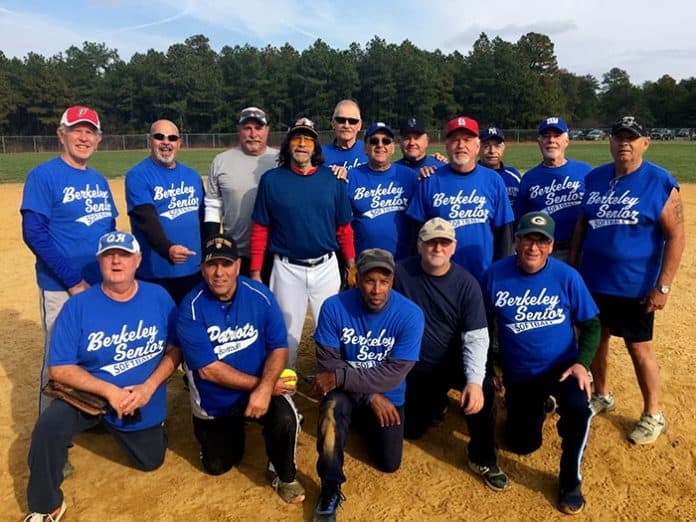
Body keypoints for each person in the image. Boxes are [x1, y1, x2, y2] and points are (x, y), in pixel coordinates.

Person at [24, 231, 181, 522]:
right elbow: (59, 368)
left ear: (138, 260)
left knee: (150, 462)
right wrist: (110, 392)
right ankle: (46, 505)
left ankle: (130, 425)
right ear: (100, 262)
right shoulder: (78, 306)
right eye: (109, 255)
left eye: (124, 254)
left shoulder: (158, 297)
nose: (116, 260)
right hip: (91, 395)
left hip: (140, 396)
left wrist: (148, 388)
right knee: (49, 424)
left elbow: (175, 349)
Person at [569, 116, 685, 445]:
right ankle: (602, 395)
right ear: (610, 141)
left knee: (639, 348)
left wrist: (663, 286)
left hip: (635, 287)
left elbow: (676, 236)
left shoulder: (659, 182)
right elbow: (581, 228)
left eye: (632, 138)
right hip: (593, 282)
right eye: (619, 137)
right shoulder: (594, 178)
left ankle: (653, 413)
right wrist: (575, 268)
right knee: (597, 341)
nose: (624, 143)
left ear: (646, 142)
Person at [483, 212, 600, 515]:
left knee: (579, 408)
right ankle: (533, 406)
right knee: (521, 445)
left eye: (542, 241)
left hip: (562, 368)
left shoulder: (566, 277)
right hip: (520, 374)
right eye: (527, 239)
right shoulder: (495, 275)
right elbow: (481, 326)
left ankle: (570, 479)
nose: (533, 247)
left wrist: (582, 364)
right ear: (516, 241)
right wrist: (488, 367)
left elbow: (592, 325)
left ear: (550, 246)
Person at [177, 232, 305, 504]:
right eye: (212, 265)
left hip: (260, 390)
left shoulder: (261, 296)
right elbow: (208, 370)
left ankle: (284, 475)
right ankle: (233, 429)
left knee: (284, 418)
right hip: (215, 403)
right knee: (217, 465)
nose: (219, 272)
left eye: (226, 264)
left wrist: (265, 389)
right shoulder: (190, 307)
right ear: (202, 268)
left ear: (237, 265)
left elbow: (278, 347)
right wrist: (261, 387)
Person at [394, 218, 508, 491]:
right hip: (416, 368)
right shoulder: (399, 274)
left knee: (484, 387)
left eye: (444, 242)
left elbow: (477, 337)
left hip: (452, 361)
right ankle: (436, 404)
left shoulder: (466, 283)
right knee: (412, 430)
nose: (437, 247)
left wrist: (473, 381)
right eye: (431, 241)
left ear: (453, 247)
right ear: (419, 244)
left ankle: (483, 456)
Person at [313, 248, 424, 521]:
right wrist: (369, 395)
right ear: (356, 278)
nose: (376, 289)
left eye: (384, 281)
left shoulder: (410, 314)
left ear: (392, 281)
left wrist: (344, 378)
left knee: (389, 464)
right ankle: (330, 487)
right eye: (369, 280)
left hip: (388, 394)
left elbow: (393, 374)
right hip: (352, 394)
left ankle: (359, 423)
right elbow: (328, 363)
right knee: (331, 409)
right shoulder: (334, 306)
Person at [20, 105, 117, 414]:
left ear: (99, 139)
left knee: (95, 352)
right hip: (62, 286)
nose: (84, 137)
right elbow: (34, 233)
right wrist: (73, 281)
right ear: (61, 134)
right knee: (60, 361)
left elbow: (109, 230)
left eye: (90, 131)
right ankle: (51, 440)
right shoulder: (44, 175)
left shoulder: (99, 180)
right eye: (77, 130)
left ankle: (92, 415)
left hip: (100, 285)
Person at [250, 117, 355, 368]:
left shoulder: (332, 180)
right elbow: (260, 229)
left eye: (308, 139)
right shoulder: (272, 180)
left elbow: (344, 228)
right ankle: (286, 394)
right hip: (287, 268)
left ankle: (333, 390)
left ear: (315, 147)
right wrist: (255, 271)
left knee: (332, 332)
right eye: (297, 138)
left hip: (326, 267)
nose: (302, 144)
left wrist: (351, 264)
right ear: (288, 145)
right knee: (287, 335)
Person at [407, 115, 514, 283]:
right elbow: (415, 234)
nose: (461, 145)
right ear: (447, 146)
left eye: (467, 139)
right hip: (438, 278)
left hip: (484, 276)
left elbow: (503, 234)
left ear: (477, 145)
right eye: (455, 140)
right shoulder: (429, 181)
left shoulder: (493, 180)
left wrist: (502, 274)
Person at [125, 119, 204, 304]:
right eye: (159, 137)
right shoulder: (138, 175)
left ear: (179, 143)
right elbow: (146, 220)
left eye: (172, 138)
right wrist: (167, 249)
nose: (166, 142)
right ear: (149, 140)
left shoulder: (192, 176)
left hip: (194, 270)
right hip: (156, 273)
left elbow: (203, 217)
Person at [204, 107, 278, 278]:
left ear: (266, 131)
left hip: (274, 251)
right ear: (239, 130)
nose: (253, 134)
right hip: (235, 251)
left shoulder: (280, 160)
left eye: (258, 128)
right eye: (247, 128)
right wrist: (213, 243)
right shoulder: (221, 161)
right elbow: (213, 207)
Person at [514, 117, 591, 260]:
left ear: (566, 141)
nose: (551, 140)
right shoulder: (529, 178)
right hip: (545, 252)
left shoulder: (585, 171)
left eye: (557, 136)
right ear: (539, 142)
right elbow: (520, 219)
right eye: (546, 136)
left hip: (581, 249)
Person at [347, 122, 418, 259]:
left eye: (386, 141)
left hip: (404, 263)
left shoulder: (409, 177)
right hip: (365, 263)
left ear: (392, 148)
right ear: (365, 148)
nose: (380, 145)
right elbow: (343, 226)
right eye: (374, 141)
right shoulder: (351, 177)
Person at [478, 127, 522, 213]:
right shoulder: (470, 177)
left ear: (503, 148)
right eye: (486, 146)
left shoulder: (513, 175)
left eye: (497, 146)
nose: (492, 151)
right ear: (478, 148)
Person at [321, 100, 367, 172]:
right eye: (341, 120)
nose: (346, 125)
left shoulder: (370, 152)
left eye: (352, 121)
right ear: (333, 123)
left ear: (360, 125)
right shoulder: (320, 154)